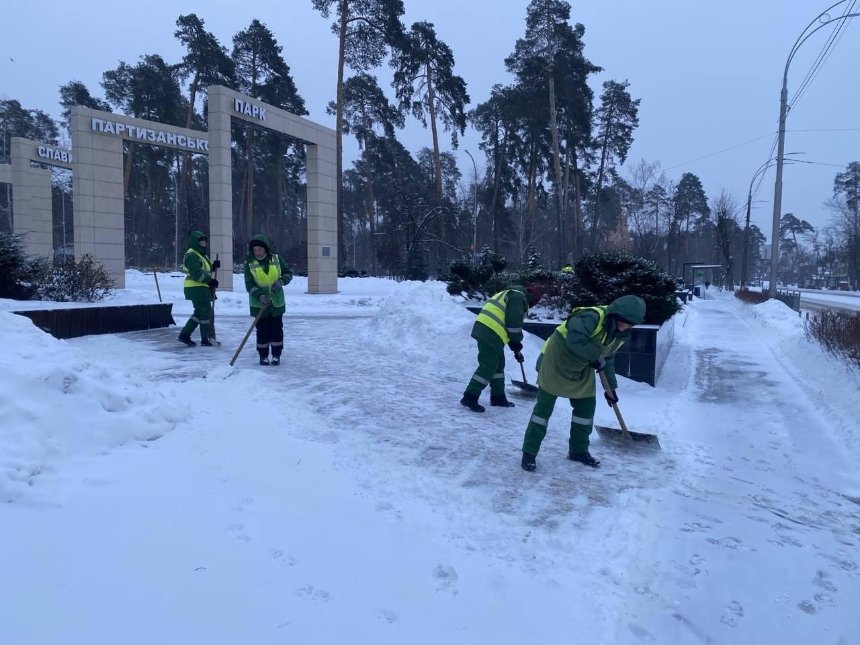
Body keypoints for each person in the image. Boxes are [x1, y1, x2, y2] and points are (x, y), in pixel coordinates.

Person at [520, 295, 646, 472]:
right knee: (543, 411)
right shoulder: (591, 317)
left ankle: (578, 451)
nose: (626, 326)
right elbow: (575, 339)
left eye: (631, 324)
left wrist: (611, 389)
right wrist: (595, 356)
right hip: (556, 360)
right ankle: (529, 453)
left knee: (585, 409)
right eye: (624, 322)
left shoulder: (620, 335)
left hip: (582, 366)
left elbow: (607, 359)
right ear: (615, 315)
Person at [461, 284, 543, 412]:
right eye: (532, 304)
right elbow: (513, 323)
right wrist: (516, 342)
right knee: (488, 366)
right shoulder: (518, 297)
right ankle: (470, 396)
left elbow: (507, 322)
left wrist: (515, 347)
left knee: (498, 364)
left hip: (490, 330)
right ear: (532, 300)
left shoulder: (512, 294)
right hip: (490, 330)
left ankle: (498, 397)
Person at [244, 233, 293, 366]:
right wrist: (260, 295)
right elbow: (249, 284)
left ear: (265, 248)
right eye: (255, 250)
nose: (257, 252)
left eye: (259, 249)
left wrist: (282, 281)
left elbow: (288, 272)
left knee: (276, 329)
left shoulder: (276, 259)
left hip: (276, 302)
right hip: (259, 304)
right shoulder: (250, 264)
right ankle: (263, 355)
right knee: (262, 331)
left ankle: (276, 355)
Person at [178, 230, 220, 347]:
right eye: (201, 242)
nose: (203, 244)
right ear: (195, 242)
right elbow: (196, 273)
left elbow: (203, 270)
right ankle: (204, 339)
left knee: (200, 312)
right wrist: (210, 280)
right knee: (205, 311)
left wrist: (213, 267)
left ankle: (186, 335)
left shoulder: (200, 254)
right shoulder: (192, 255)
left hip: (201, 287)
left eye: (204, 242)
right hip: (196, 287)